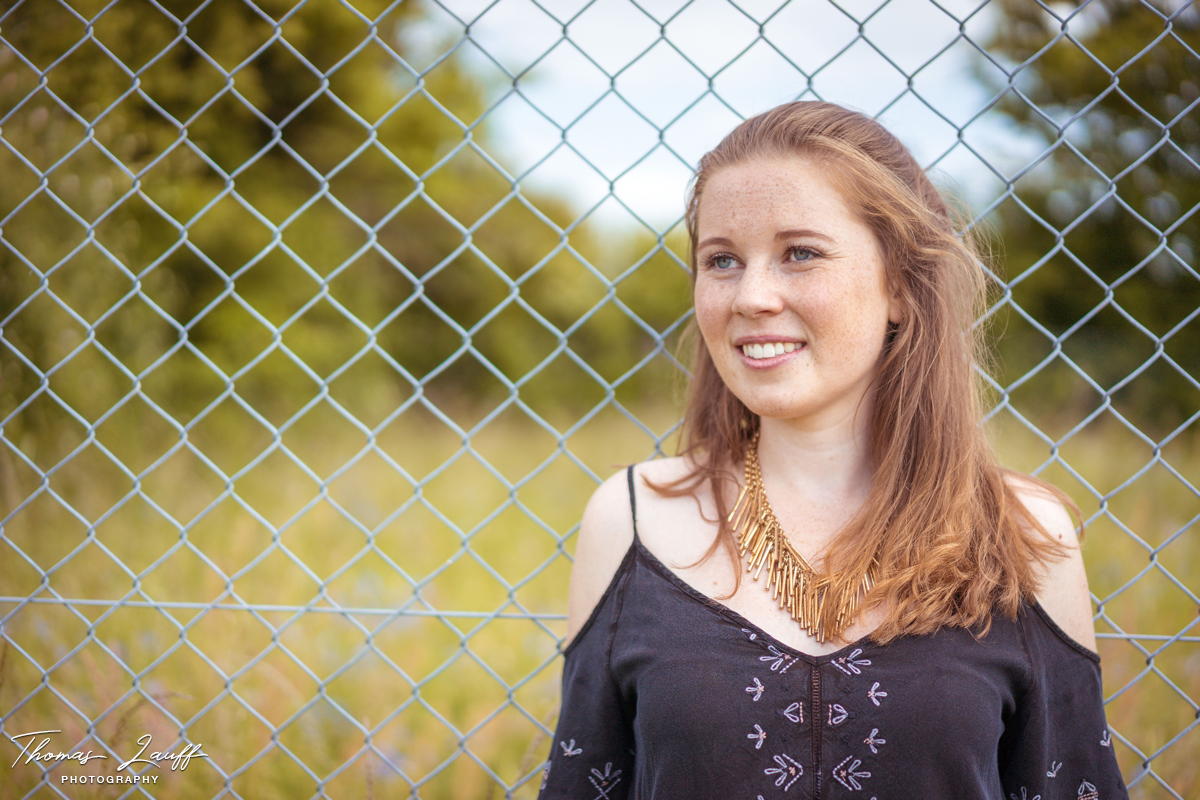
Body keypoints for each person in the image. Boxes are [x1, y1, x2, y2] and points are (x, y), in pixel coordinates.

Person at [534, 101, 1129, 799]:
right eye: (722, 260)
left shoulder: (1023, 537)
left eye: (801, 253)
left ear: (900, 286)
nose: (752, 296)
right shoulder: (631, 520)